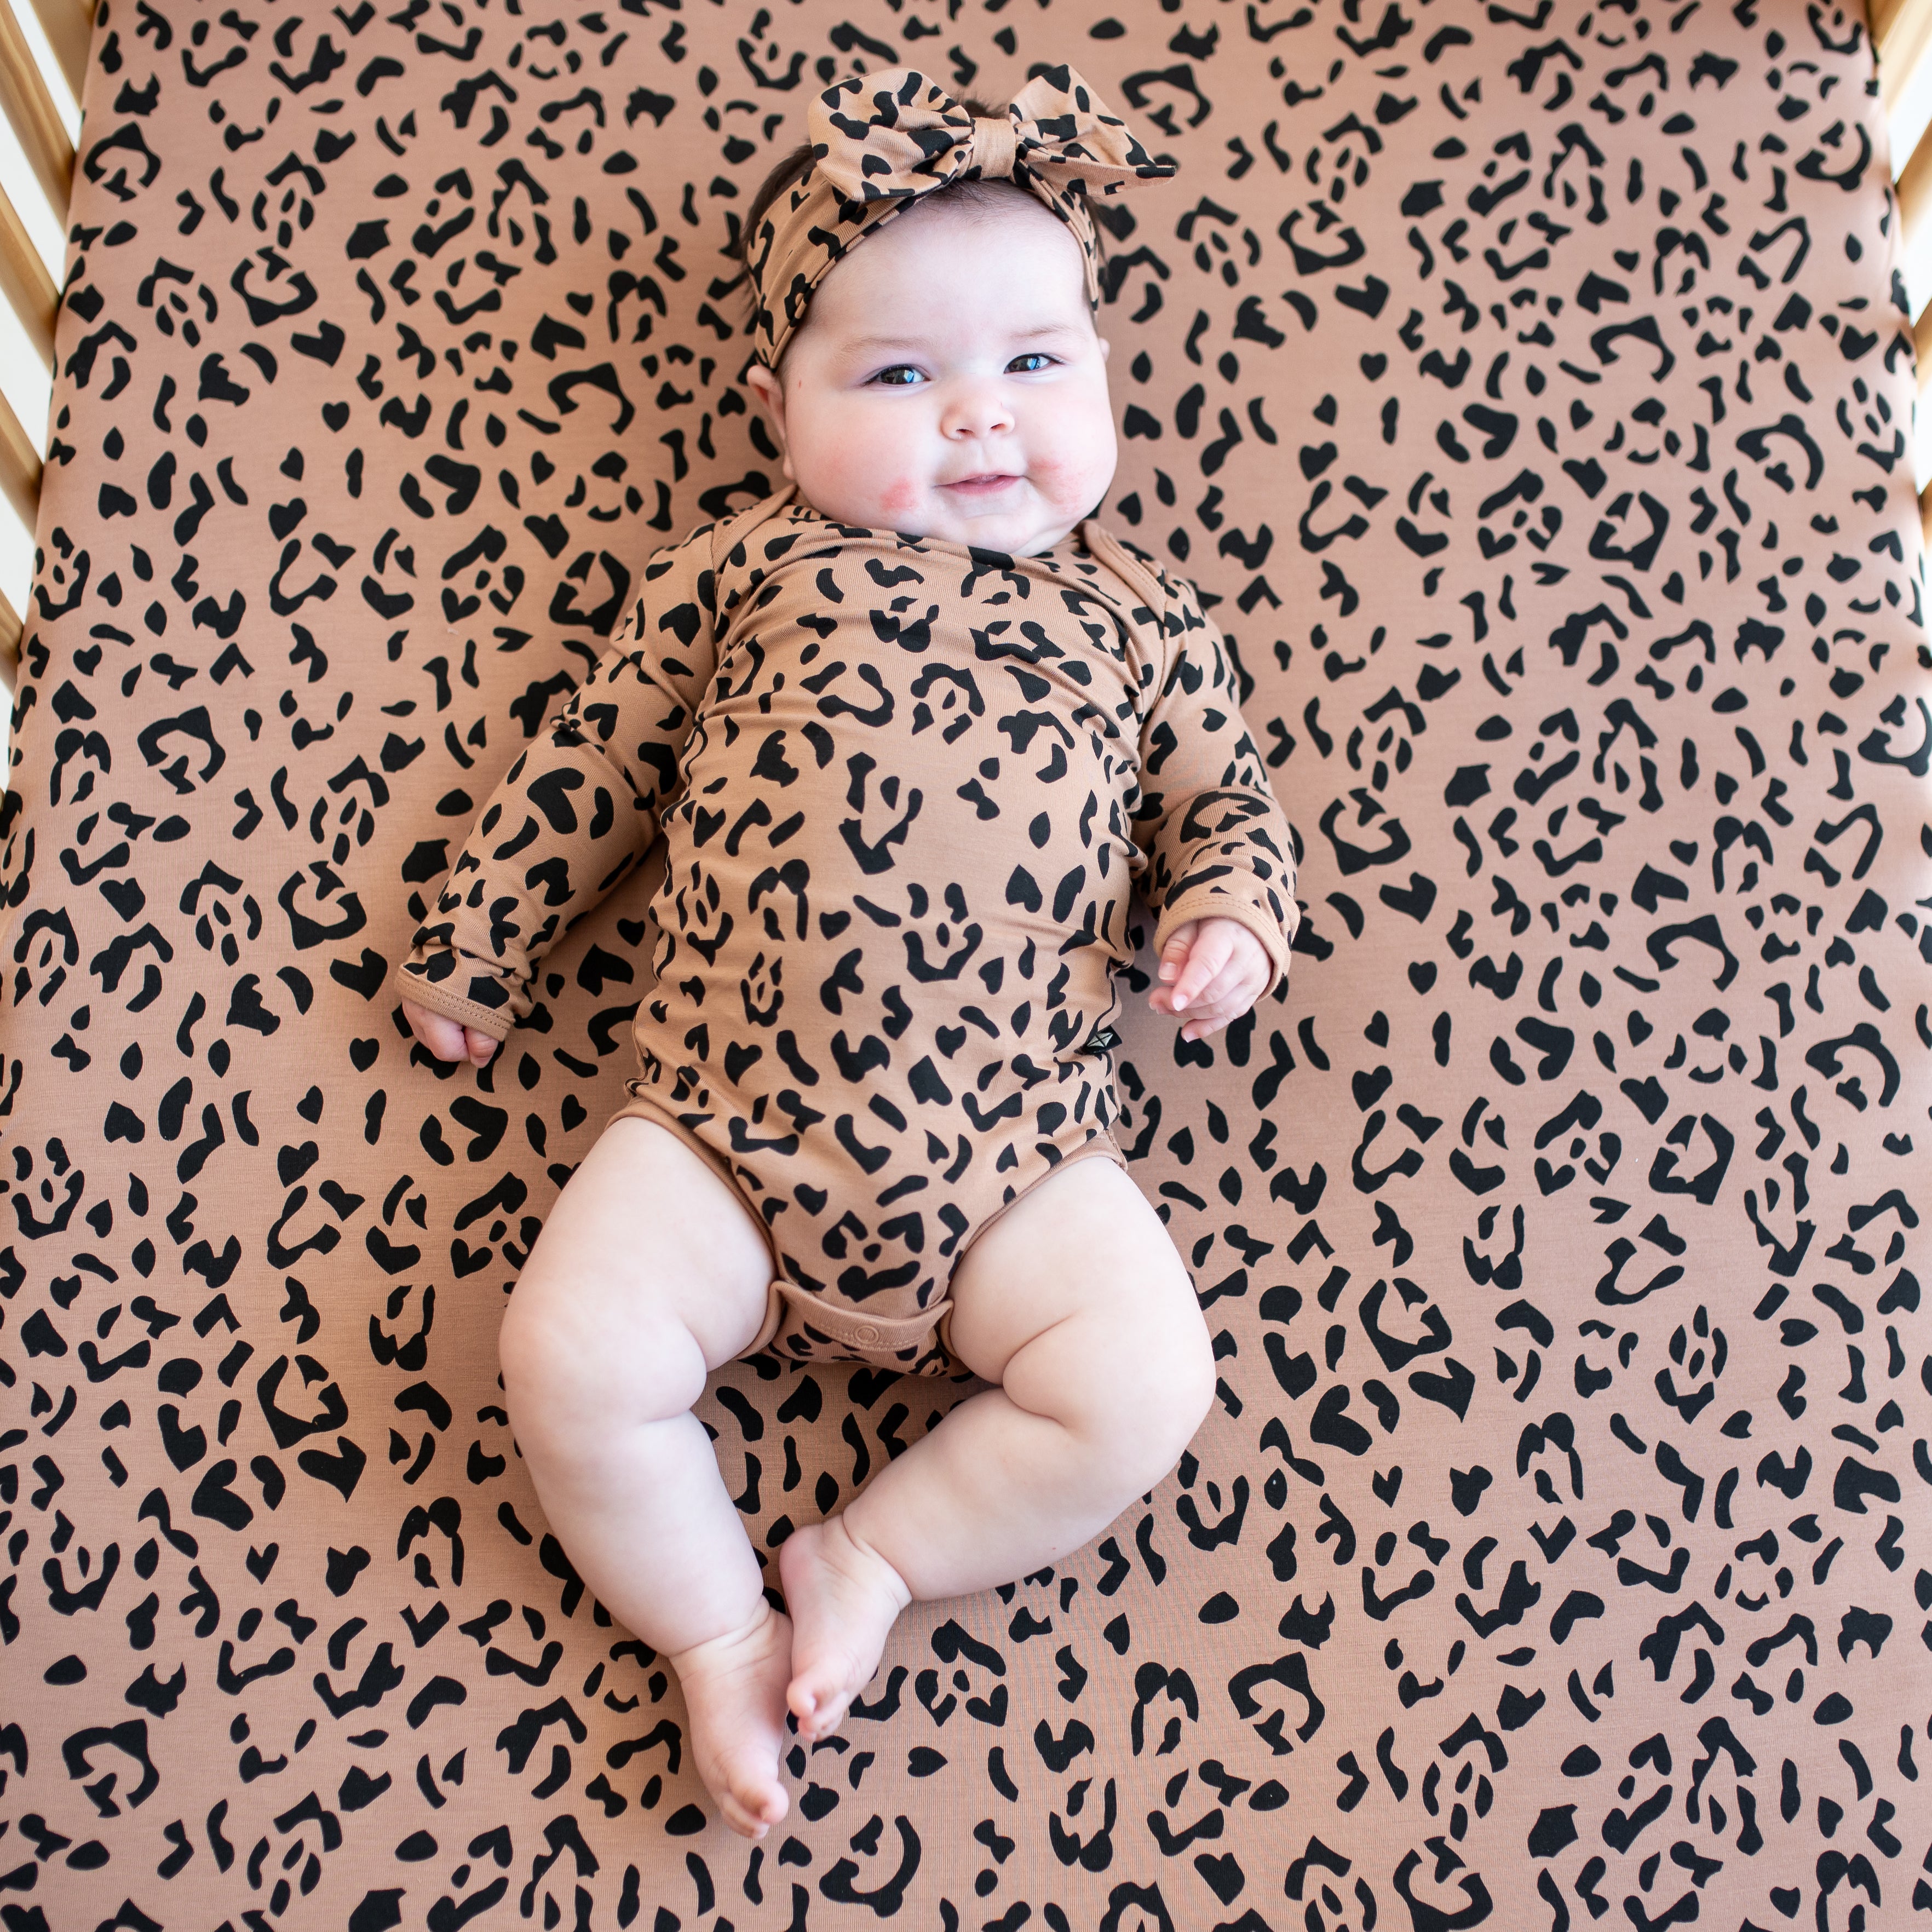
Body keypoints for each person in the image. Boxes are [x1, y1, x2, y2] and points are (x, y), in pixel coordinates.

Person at [394, 65, 1300, 1838]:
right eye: (901, 376)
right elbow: (598, 759)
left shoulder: (1142, 618)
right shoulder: (745, 572)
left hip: (1022, 1153)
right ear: (774, 410)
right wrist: (476, 939)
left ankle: (876, 1554)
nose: (980, 419)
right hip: (720, 1130)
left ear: (1102, 373)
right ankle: (716, 1630)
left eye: (1036, 364)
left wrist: (1231, 924)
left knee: (1144, 1384)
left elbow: (1231, 805)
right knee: (570, 1356)